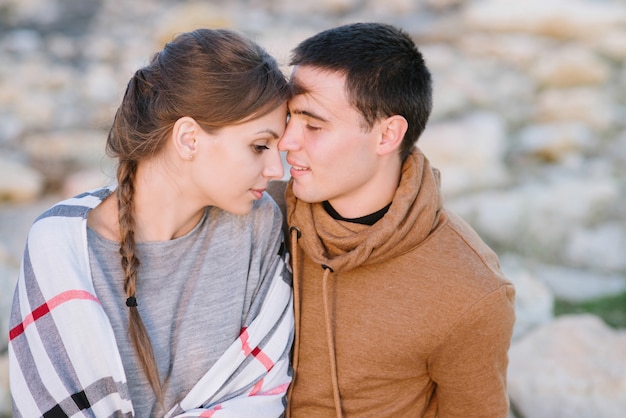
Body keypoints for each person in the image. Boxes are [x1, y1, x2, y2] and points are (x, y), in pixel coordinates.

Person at [9, 28, 293, 417]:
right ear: (189, 138)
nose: (277, 169)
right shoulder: (61, 249)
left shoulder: (256, 226)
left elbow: (262, 395)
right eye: (260, 146)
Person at [271, 22, 516, 417]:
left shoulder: (470, 291)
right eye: (288, 118)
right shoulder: (258, 219)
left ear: (387, 135)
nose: (286, 142)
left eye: (313, 125)